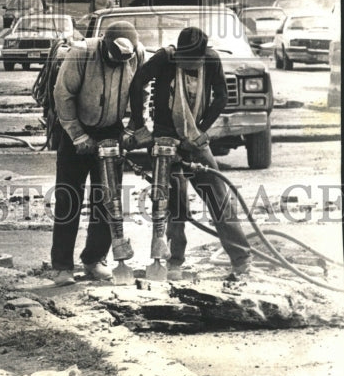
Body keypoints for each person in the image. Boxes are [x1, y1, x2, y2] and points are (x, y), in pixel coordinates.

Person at [127, 25, 251, 278]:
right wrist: (139, 127)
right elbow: (137, 82)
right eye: (186, 59)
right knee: (174, 203)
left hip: (195, 138)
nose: (190, 63)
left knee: (219, 198)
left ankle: (241, 260)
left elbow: (222, 97)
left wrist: (202, 132)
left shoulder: (212, 60)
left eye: (194, 59)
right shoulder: (165, 58)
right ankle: (174, 261)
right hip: (165, 136)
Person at [50, 20, 145, 285]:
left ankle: (94, 259)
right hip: (76, 129)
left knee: (109, 200)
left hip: (111, 130)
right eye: (113, 59)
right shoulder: (81, 54)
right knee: (68, 198)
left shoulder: (137, 54)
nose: (117, 64)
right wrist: (78, 135)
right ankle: (62, 266)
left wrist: (133, 127)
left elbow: (141, 91)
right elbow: (63, 95)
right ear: (103, 43)